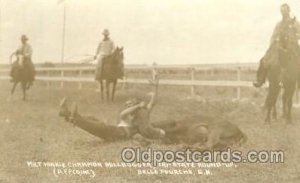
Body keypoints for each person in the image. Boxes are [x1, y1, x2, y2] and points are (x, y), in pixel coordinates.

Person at [58, 82, 165, 141]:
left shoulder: (140, 114)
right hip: (115, 131)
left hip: (120, 134)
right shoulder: (129, 114)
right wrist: (139, 105)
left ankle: (73, 117)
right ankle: (66, 113)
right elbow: (123, 113)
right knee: (92, 118)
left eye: (129, 104)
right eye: (127, 104)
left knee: (100, 126)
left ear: (134, 104)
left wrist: (154, 90)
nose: (127, 105)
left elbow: (152, 102)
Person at [253, 3, 300, 87]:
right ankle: (260, 79)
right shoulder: (279, 24)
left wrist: (295, 37)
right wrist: (273, 43)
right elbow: (273, 36)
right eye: (282, 11)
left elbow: (299, 34)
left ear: (289, 11)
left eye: (285, 11)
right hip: (279, 46)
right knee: (265, 59)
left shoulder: (295, 23)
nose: (283, 13)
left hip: (291, 45)